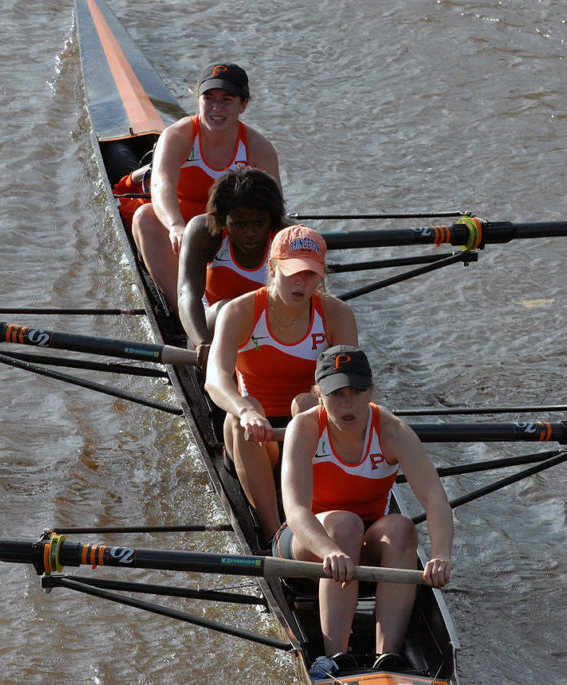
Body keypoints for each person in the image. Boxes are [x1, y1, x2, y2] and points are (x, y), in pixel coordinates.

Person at [276, 345, 454, 675]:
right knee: (345, 525)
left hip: (364, 544)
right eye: (336, 393)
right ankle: (333, 660)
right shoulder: (304, 428)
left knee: (402, 528)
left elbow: (435, 500)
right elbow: (295, 510)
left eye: (356, 392)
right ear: (319, 394)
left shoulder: (393, 431)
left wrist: (441, 555)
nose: (347, 403)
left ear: (371, 390)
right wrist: (329, 550)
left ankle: (387, 657)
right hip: (307, 541)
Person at [204, 225, 358, 540]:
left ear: (321, 275)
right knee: (238, 418)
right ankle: (275, 532)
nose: (302, 282)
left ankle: (314, 517)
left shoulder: (337, 314)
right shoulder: (240, 311)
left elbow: (350, 387)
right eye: (292, 272)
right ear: (272, 268)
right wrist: (246, 411)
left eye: (311, 274)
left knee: (307, 402)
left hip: (309, 431)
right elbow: (215, 379)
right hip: (258, 437)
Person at [129, 63, 281, 310]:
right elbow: (160, 185)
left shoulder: (257, 147)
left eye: (226, 100)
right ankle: (182, 312)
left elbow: (274, 212)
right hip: (184, 225)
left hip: (232, 228)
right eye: (208, 99)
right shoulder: (179, 135)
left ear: (244, 104)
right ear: (198, 100)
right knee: (144, 216)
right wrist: (175, 225)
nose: (216, 109)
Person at [178, 165, 289, 367]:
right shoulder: (203, 231)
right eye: (239, 224)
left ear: (272, 219)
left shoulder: (288, 236)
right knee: (231, 310)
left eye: (259, 223)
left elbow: (318, 301)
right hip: (214, 326)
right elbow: (186, 294)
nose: (250, 233)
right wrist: (203, 342)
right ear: (223, 220)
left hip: (270, 328)